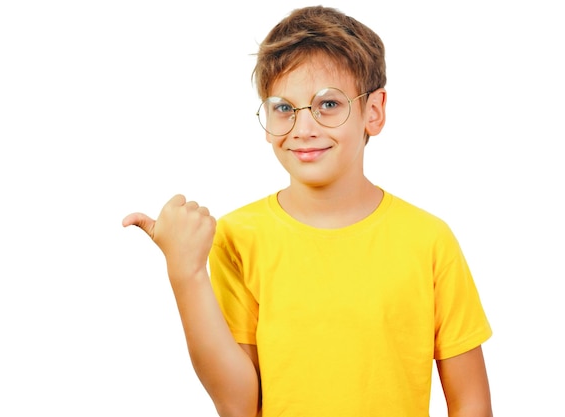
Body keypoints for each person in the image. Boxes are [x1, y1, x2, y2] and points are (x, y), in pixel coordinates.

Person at [123, 5, 493, 417]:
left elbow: (471, 402)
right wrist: (186, 272)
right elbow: (238, 405)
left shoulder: (428, 240)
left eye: (328, 105)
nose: (303, 128)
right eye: (283, 107)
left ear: (374, 111)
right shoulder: (237, 237)